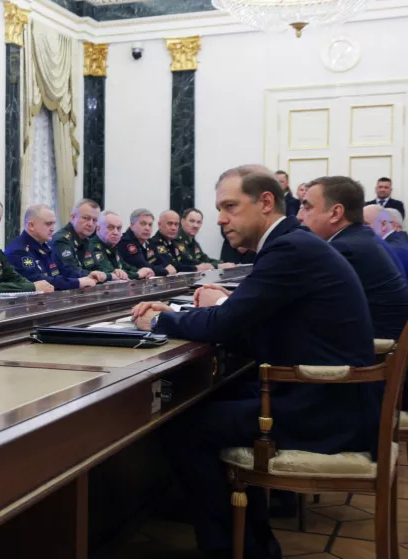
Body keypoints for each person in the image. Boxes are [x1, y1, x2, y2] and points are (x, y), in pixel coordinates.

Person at [131, 165, 378, 559]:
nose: (221, 219)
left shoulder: (289, 248)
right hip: (328, 396)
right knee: (204, 403)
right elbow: (248, 321)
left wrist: (158, 319)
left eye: (230, 206)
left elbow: (227, 322)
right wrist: (204, 316)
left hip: (325, 409)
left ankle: (232, 547)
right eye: (219, 208)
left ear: (265, 203)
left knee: (181, 424)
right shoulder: (293, 243)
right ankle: (249, 538)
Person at [298, 176, 408, 341]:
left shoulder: (343, 249)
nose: (299, 216)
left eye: (307, 207)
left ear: (335, 213)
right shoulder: (360, 237)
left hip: (372, 354)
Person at [4, 204, 96, 290]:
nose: (53, 229)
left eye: (53, 224)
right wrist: (77, 282)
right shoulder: (19, 251)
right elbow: (37, 281)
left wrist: (87, 277)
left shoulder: (44, 247)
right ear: (31, 225)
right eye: (48, 224)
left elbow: (60, 273)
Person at [50, 198, 108, 283]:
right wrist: (97, 275)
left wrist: (109, 274)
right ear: (73, 217)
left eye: (95, 220)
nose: (90, 224)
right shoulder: (62, 240)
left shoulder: (86, 240)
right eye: (86, 218)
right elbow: (71, 272)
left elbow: (98, 267)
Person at [87, 211, 154, 280]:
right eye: (110, 227)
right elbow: (109, 273)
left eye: (119, 228)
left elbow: (125, 267)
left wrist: (144, 271)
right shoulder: (93, 246)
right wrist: (138, 274)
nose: (116, 232)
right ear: (98, 228)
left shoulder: (112, 246)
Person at [119, 208, 177, 276]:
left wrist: (166, 267)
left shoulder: (148, 241)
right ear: (132, 225)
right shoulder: (126, 242)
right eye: (143, 224)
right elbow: (142, 265)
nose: (147, 228)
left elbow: (161, 261)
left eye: (150, 225)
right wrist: (165, 271)